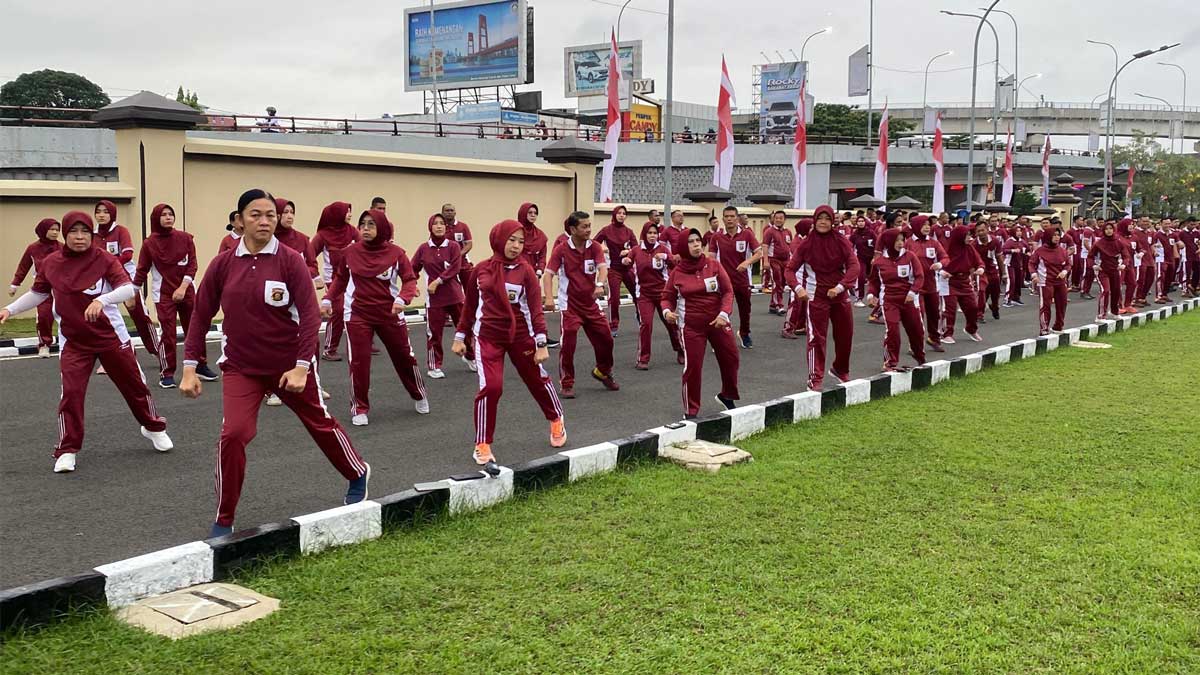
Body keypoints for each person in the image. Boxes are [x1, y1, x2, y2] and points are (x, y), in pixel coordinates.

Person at [182, 189, 370, 537]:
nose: (265, 220)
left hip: (289, 365)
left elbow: (310, 316)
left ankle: (357, 471)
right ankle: (224, 518)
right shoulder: (223, 264)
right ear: (239, 221)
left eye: (270, 214)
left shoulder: (290, 260)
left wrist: (301, 366)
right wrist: (190, 366)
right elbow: (201, 314)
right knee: (234, 435)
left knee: (320, 424)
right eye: (256, 214)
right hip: (241, 366)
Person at [1, 211, 171, 474]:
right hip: (74, 340)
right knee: (71, 393)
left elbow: (127, 288)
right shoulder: (51, 263)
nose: (79, 238)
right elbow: (38, 293)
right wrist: (10, 310)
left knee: (135, 386)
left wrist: (102, 300)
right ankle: (67, 449)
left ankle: (152, 427)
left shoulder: (103, 258)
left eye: (84, 232)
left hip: (110, 336)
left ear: (91, 234)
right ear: (66, 234)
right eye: (73, 232)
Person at [452, 220, 566, 473]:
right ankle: (482, 442)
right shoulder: (480, 270)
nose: (516, 246)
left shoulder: (525, 272)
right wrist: (460, 336)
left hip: (521, 336)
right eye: (511, 240)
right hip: (487, 337)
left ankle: (556, 418)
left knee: (536, 379)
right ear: (498, 239)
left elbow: (535, 310)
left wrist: (541, 343)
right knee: (490, 387)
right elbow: (469, 307)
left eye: (521, 241)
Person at [321, 209, 429, 424]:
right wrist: (327, 299)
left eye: (371, 224)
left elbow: (409, 280)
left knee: (404, 357)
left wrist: (402, 300)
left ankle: (419, 394)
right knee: (358, 362)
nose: (366, 229)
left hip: (389, 313)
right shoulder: (350, 253)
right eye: (363, 225)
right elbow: (340, 280)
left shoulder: (397, 253)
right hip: (358, 314)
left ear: (382, 228)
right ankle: (359, 408)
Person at [132, 203, 218, 388]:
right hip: (163, 295)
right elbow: (141, 270)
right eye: (163, 215)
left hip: (186, 291)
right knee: (168, 334)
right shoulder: (149, 244)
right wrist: (133, 292)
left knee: (195, 329)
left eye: (171, 214)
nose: (168, 217)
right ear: (156, 218)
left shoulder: (185, 238)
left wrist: (183, 287)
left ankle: (200, 365)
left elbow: (192, 265)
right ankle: (167, 373)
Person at [661, 228, 740, 418]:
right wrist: (666, 312)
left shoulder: (713, 265)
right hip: (690, 327)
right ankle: (691, 410)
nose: (696, 244)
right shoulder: (677, 272)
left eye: (698, 240)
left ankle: (727, 395)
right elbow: (666, 297)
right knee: (693, 367)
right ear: (682, 246)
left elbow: (728, 292)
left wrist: (724, 314)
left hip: (718, 322)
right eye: (691, 241)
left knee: (732, 357)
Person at [785, 205, 859, 391]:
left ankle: (840, 369)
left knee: (845, 335)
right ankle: (815, 378)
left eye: (827, 218)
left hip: (840, 295)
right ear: (815, 221)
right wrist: (798, 288)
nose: (824, 222)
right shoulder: (806, 244)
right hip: (816, 297)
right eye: (820, 219)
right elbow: (790, 270)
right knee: (816, 338)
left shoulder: (842, 241)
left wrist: (841, 286)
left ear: (833, 221)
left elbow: (854, 266)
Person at [548, 212, 618, 397]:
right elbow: (548, 275)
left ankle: (602, 371)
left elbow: (603, 268)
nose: (588, 230)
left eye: (589, 226)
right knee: (568, 343)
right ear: (572, 229)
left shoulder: (594, 246)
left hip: (591, 304)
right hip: (570, 306)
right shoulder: (561, 249)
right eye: (584, 227)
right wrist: (548, 298)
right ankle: (567, 383)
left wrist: (599, 285)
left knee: (607, 339)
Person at [270, 197, 329, 403]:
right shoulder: (268, 240)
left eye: (291, 212)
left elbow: (312, 264)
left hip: (301, 296)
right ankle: (275, 389)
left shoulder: (303, 239)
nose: (289, 216)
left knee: (311, 339)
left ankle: (314, 383)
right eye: (284, 212)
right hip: (275, 299)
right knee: (277, 342)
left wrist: (313, 276)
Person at [92, 200, 161, 371]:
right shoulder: (92, 235)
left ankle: (160, 351)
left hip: (125, 277)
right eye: (98, 211)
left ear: (112, 214)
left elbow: (128, 254)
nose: (101, 215)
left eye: (105, 212)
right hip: (104, 279)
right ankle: (115, 356)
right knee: (106, 318)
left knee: (139, 316)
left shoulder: (120, 231)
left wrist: (107, 263)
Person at [413, 213, 474, 379]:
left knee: (465, 328)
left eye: (442, 224)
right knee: (434, 333)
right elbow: (412, 269)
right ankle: (434, 366)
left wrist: (437, 281)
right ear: (430, 227)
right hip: (434, 300)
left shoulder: (453, 246)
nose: (439, 226)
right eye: (435, 223)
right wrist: (411, 285)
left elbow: (455, 267)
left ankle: (470, 356)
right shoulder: (423, 249)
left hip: (455, 295)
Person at [623, 222, 683, 369]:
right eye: (649, 233)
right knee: (646, 325)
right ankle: (643, 359)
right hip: (644, 294)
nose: (652, 236)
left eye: (655, 233)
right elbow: (627, 263)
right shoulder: (636, 250)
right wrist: (625, 261)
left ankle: (681, 350)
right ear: (644, 234)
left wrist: (667, 258)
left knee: (671, 324)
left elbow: (675, 267)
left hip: (663, 293)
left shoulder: (663, 249)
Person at [865, 228, 926, 372]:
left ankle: (920, 357)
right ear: (889, 242)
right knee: (892, 332)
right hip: (889, 301)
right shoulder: (879, 262)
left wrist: (913, 292)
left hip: (908, 300)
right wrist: (870, 295)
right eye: (897, 240)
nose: (900, 243)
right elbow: (873, 282)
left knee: (917, 331)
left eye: (902, 240)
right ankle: (890, 362)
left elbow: (919, 276)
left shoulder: (910, 256)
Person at [708, 205, 763, 348]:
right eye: (726, 216)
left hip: (743, 280)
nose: (729, 219)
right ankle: (719, 338)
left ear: (737, 218)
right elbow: (712, 258)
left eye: (732, 216)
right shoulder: (717, 237)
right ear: (723, 219)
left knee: (745, 310)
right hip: (723, 281)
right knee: (721, 310)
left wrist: (747, 262)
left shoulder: (747, 235)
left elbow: (759, 253)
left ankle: (744, 334)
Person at [311, 201, 359, 361]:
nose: (350, 215)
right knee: (338, 311)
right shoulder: (322, 236)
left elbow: (365, 247)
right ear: (338, 214)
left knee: (358, 310)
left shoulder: (352, 231)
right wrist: (315, 276)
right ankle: (329, 349)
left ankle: (363, 345)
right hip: (333, 281)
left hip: (353, 279)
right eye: (347, 212)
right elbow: (309, 255)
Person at [9, 217, 61, 357]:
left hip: (61, 288)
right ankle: (44, 344)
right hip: (42, 288)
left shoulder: (62, 247)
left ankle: (69, 344)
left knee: (66, 315)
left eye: (57, 230)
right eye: (52, 229)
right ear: (43, 230)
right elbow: (23, 266)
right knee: (44, 316)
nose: (55, 232)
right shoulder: (33, 248)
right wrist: (15, 284)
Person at [593, 205, 639, 337]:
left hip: (628, 268)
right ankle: (613, 324)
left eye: (624, 213)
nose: (621, 215)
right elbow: (594, 243)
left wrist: (629, 252)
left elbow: (636, 249)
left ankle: (640, 315)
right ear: (614, 214)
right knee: (614, 298)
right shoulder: (607, 230)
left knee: (638, 294)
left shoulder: (629, 231)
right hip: (614, 269)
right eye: (619, 213)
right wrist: (603, 249)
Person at [907, 216, 950, 354]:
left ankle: (934, 339)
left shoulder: (933, 243)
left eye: (928, 225)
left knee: (934, 314)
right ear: (915, 226)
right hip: (914, 285)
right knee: (918, 316)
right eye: (924, 225)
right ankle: (915, 344)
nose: (927, 227)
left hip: (932, 284)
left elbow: (945, 257)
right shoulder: (907, 243)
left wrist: (940, 264)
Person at [940, 225, 985, 344]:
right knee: (950, 309)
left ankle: (971, 329)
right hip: (950, 282)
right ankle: (946, 333)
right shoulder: (947, 249)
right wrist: (943, 271)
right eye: (967, 235)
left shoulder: (969, 248)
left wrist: (980, 268)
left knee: (973, 307)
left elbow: (978, 261)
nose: (969, 238)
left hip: (965, 281)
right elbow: (941, 262)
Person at [1028, 228, 1070, 335]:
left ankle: (1058, 326)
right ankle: (1044, 329)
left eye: (1058, 235)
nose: (1057, 237)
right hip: (1045, 281)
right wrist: (1034, 275)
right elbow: (1032, 263)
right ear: (1048, 236)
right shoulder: (1039, 251)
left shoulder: (1062, 250)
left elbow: (1068, 264)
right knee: (1046, 305)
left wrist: (1065, 271)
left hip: (1060, 281)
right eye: (1054, 235)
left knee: (1062, 304)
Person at [1087, 220, 1129, 320]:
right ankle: (1101, 315)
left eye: (1110, 229)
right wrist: (1093, 265)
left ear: (1114, 230)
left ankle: (1114, 312)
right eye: (1106, 229)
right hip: (1102, 270)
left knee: (1116, 291)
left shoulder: (1119, 242)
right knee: (1105, 291)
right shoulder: (1099, 243)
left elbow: (1126, 256)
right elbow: (1090, 256)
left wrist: (1123, 264)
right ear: (1103, 230)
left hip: (1115, 269)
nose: (1109, 231)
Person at [780, 217, 812, 339]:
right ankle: (788, 327)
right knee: (795, 303)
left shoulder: (806, 240)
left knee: (804, 303)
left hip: (805, 277)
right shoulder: (797, 242)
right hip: (797, 277)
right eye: (810, 228)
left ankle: (800, 326)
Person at [972, 221, 1004, 322]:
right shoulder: (974, 244)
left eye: (983, 230)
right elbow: (971, 261)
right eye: (978, 231)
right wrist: (972, 276)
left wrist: (1003, 274)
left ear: (987, 230)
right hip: (980, 270)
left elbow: (999, 257)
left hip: (992, 269)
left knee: (995, 292)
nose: (981, 233)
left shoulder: (995, 241)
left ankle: (995, 307)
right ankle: (979, 314)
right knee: (982, 291)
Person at [762, 210, 794, 315]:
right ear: (773, 219)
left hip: (786, 261)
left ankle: (772, 304)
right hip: (773, 260)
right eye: (776, 218)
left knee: (784, 282)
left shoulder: (788, 232)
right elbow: (765, 246)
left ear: (785, 219)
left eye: (781, 218)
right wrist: (765, 261)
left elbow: (790, 247)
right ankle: (779, 305)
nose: (778, 220)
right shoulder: (769, 231)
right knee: (777, 282)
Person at [442, 203, 474, 290]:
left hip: (462, 263)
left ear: (455, 212)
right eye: (447, 210)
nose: (449, 212)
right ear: (442, 213)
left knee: (470, 288)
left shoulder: (463, 226)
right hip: (446, 265)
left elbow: (469, 244)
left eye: (451, 210)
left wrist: (457, 254)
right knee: (449, 289)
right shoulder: (440, 228)